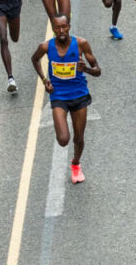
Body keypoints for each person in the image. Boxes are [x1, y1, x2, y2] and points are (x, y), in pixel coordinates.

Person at [31, 15, 102, 184]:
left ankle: (76, 164)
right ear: (53, 29)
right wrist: (44, 79)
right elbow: (34, 59)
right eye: (57, 28)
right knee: (63, 139)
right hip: (59, 95)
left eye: (64, 27)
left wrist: (87, 69)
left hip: (79, 94)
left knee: (78, 137)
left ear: (69, 26)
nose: (61, 31)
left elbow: (98, 70)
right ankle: (72, 158)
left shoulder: (81, 44)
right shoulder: (46, 46)